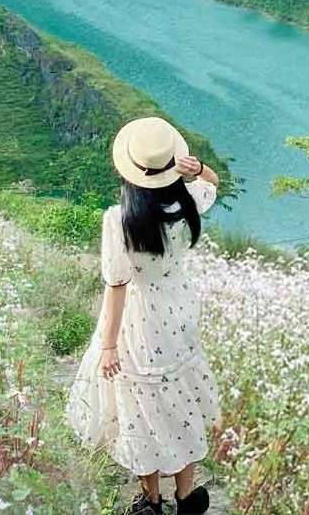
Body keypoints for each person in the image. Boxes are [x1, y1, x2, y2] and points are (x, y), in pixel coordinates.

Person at [68, 116, 222, 515]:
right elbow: (213, 183)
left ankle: (150, 500)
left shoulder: (119, 220)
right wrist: (199, 169)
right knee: (181, 400)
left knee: (141, 408)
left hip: (141, 320)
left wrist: (107, 345)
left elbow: (116, 286)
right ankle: (187, 497)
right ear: (174, 164)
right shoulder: (188, 203)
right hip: (181, 310)